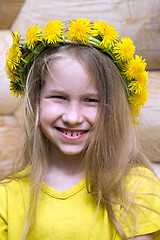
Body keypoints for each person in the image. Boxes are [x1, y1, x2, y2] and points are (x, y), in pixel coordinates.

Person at [1, 18, 160, 240]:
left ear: (112, 108)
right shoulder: (7, 197)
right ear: (35, 100)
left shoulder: (134, 188)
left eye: (90, 100)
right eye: (59, 97)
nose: (73, 118)